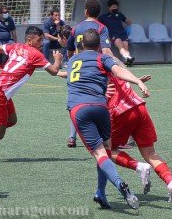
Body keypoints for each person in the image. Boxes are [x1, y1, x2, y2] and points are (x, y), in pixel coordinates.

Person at [64, 28, 150, 209]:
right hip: (101, 108)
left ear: (81, 45)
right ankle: (101, 193)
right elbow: (118, 71)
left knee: (99, 154)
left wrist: (56, 64)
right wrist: (137, 81)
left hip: (80, 109)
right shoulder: (102, 58)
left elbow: (65, 74)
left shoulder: (72, 60)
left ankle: (119, 184)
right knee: (107, 151)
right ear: (100, 45)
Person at [0, 26, 62, 157]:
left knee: (11, 120)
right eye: (39, 40)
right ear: (29, 41)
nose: (42, 43)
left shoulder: (16, 46)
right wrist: (57, 60)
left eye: (42, 40)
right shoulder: (35, 54)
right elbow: (54, 71)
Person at [105, 60, 172, 202]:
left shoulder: (94, 61)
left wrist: (55, 70)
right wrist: (137, 81)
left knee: (105, 151)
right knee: (150, 153)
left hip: (121, 111)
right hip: (139, 106)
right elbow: (121, 69)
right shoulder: (111, 59)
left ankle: (139, 167)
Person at [66, 0, 114, 148]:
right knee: (104, 99)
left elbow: (69, 51)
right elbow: (106, 51)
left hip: (76, 69)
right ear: (98, 12)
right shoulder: (101, 28)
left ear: (85, 11)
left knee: (77, 101)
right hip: (96, 68)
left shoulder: (76, 28)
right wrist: (117, 65)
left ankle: (72, 137)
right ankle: (109, 135)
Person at [98, 0, 134, 66]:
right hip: (114, 35)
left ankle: (128, 60)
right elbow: (97, 23)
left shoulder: (119, 14)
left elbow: (128, 21)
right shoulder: (104, 17)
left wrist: (129, 26)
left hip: (122, 33)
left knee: (126, 46)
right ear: (109, 8)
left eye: (116, 7)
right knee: (121, 47)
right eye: (113, 7)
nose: (115, 8)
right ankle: (128, 57)